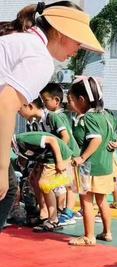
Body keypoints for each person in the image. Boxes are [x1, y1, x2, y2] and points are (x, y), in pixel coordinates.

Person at [0, 1, 103, 231]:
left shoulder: (22, 41)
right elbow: (5, 105)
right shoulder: (40, 58)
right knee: (6, 191)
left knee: (10, 189)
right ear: (58, 32)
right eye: (77, 41)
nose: (78, 49)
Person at [68, 76, 117, 245]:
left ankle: (89, 236)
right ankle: (107, 232)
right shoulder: (106, 115)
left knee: (86, 201)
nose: (70, 103)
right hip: (106, 166)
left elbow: (96, 139)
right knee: (103, 201)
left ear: (82, 100)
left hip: (90, 166)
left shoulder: (89, 117)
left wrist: (82, 157)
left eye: (72, 99)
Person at [12, 131, 72, 231]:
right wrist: (35, 169)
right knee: (34, 180)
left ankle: (53, 220)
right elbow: (37, 152)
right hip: (45, 158)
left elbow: (52, 140)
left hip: (56, 156)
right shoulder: (16, 146)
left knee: (44, 184)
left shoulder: (23, 140)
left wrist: (59, 161)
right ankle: (44, 214)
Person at [40, 82, 80, 225]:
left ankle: (68, 213)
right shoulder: (60, 115)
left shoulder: (56, 116)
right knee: (69, 183)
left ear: (56, 100)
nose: (44, 103)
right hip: (70, 153)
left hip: (70, 154)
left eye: (46, 100)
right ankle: (66, 211)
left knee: (70, 184)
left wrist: (60, 158)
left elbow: (65, 137)